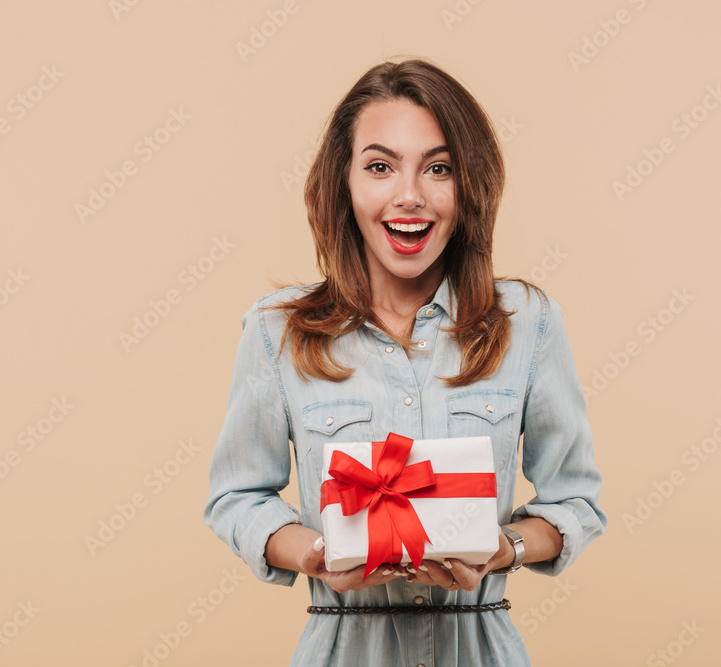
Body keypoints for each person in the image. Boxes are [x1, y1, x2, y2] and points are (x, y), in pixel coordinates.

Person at [203, 57, 607, 667]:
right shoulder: (276, 331)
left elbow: (575, 502)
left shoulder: (529, 322)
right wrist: (315, 554)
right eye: (380, 166)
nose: (409, 196)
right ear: (344, 183)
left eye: (438, 168)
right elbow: (237, 496)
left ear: (469, 186)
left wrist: (504, 549)